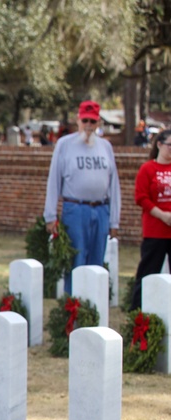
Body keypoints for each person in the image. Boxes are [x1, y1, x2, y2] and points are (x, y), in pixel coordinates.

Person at [42, 100, 121, 294]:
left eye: (92, 122)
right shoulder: (65, 145)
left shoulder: (105, 147)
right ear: (78, 120)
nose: (88, 125)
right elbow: (54, 180)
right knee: (76, 261)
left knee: (97, 262)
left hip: (101, 209)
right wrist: (50, 214)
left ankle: (94, 305)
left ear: (98, 123)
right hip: (75, 209)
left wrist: (114, 220)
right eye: (84, 120)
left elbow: (114, 184)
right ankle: (73, 306)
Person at [128, 128, 171, 310]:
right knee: (148, 273)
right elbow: (141, 197)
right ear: (159, 145)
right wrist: (162, 215)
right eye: (170, 145)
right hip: (155, 230)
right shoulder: (148, 169)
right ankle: (137, 312)